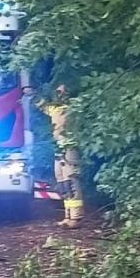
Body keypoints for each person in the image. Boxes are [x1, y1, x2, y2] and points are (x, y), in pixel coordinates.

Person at [38, 85, 82, 227]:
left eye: (62, 92)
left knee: (71, 181)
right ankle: (68, 216)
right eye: (57, 92)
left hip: (70, 147)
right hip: (58, 147)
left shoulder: (74, 108)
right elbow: (41, 105)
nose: (59, 94)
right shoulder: (54, 108)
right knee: (62, 182)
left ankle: (76, 218)